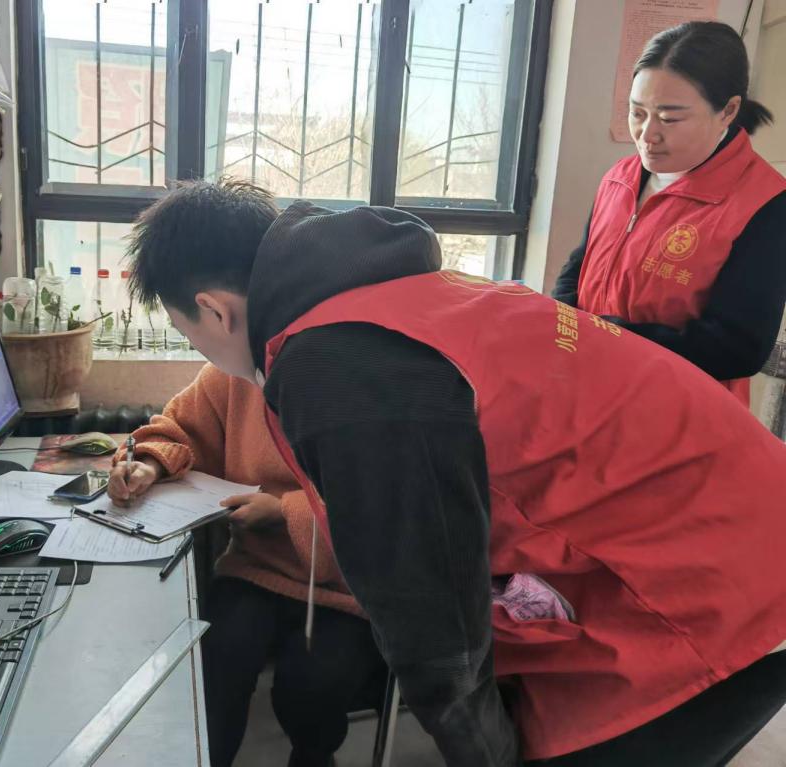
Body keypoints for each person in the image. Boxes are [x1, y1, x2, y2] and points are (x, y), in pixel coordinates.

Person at [124, 177, 786, 767]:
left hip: (726, 581)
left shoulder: (338, 364)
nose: (200, 349)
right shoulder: (388, 297)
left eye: (188, 332)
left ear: (215, 309)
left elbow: (433, 626)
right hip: (712, 532)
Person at [106, 363, 385, 767]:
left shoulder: (369, 375)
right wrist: (150, 463)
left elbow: (385, 507)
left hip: (350, 587)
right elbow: (177, 430)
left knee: (310, 688)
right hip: (255, 569)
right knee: (213, 664)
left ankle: (314, 756)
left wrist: (285, 513)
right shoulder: (234, 368)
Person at [552, 21, 786, 406]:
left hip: (674, 412)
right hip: (588, 393)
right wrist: (557, 326)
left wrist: (608, 339)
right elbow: (580, 266)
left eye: (669, 118)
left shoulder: (764, 203)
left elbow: (738, 346)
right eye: (637, 112)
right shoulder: (621, 177)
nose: (647, 135)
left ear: (728, 111)